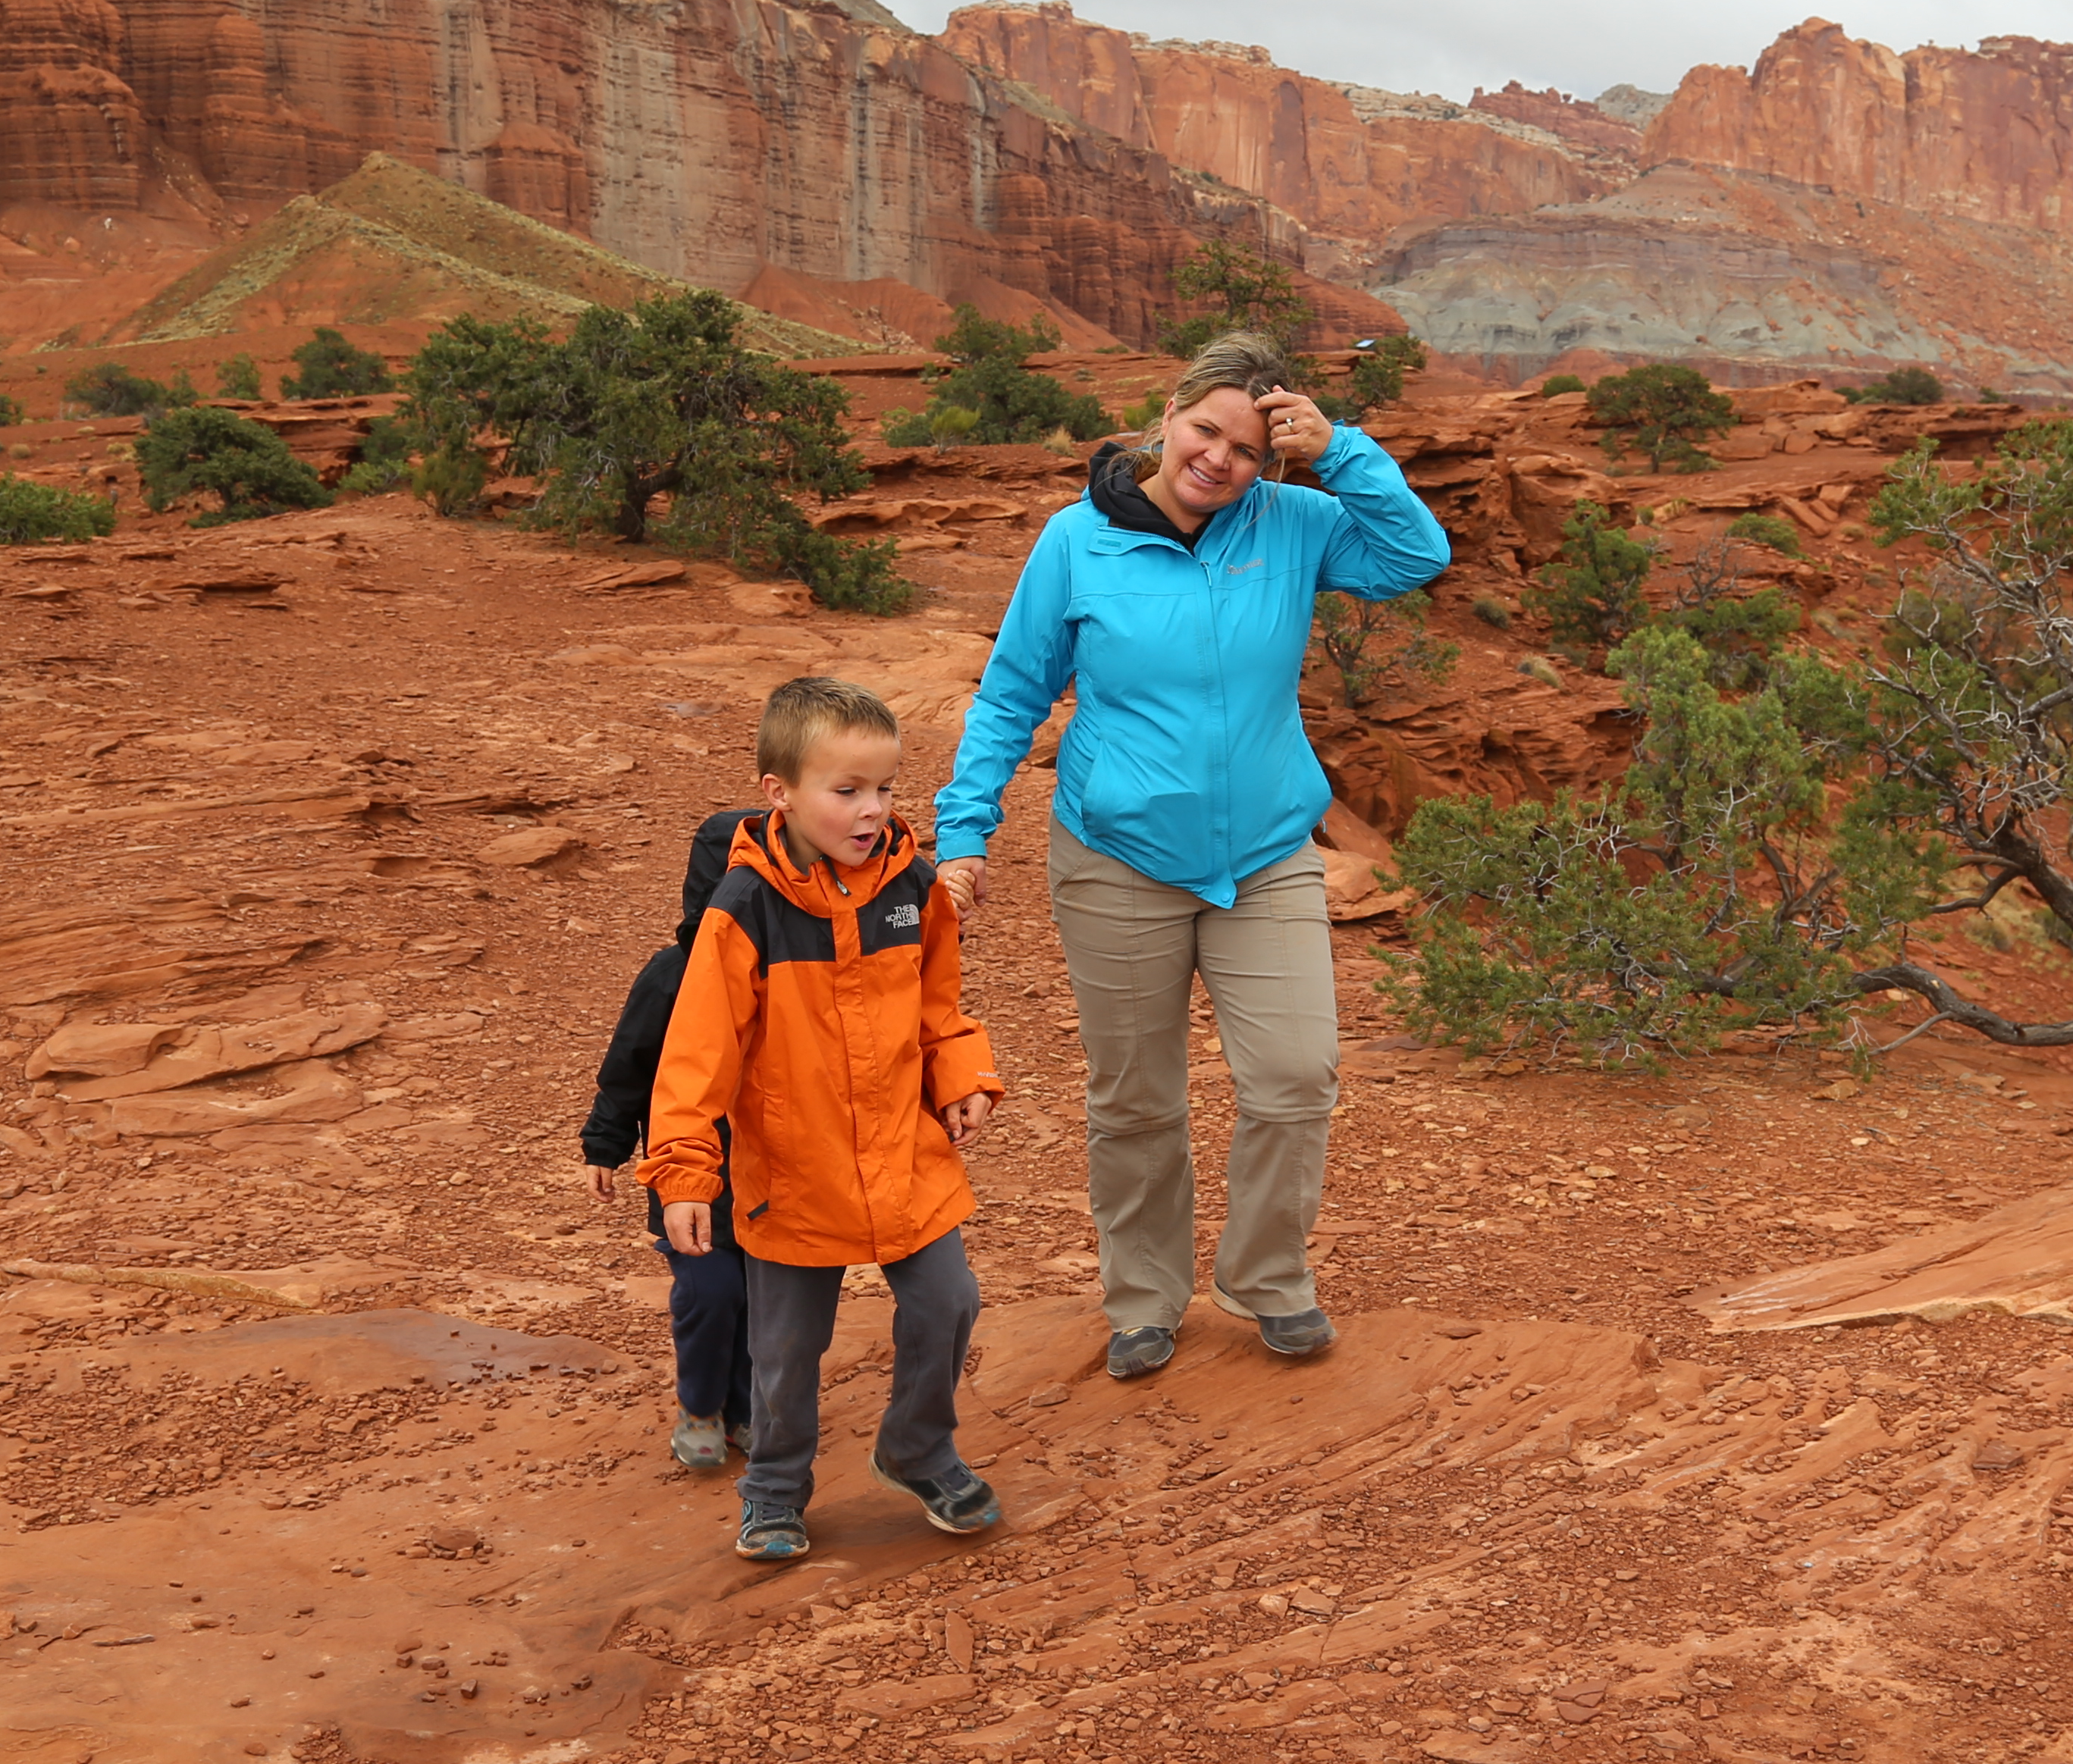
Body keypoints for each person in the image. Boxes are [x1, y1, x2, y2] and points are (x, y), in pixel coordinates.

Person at [931, 331, 1449, 1381]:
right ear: (1168, 417)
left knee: (1296, 1076)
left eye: (1251, 447)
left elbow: (1416, 557)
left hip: (1263, 855)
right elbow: (1015, 693)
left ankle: (1267, 1279)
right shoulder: (1077, 541)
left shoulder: (1297, 524)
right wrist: (963, 831)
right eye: (1207, 430)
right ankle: (1144, 1298)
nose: (1221, 459)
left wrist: (1340, 449)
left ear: (1272, 460)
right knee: (1137, 1097)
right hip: (1117, 856)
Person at [644, 675, 1006, 1563]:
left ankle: (917, 1448)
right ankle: (773, 1489)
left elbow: (940, 1008)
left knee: (948, 1301)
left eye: (884, 788)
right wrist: (688, 1170)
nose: (872, 809)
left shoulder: (913, 889)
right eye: (846, 791)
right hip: (794, 1168)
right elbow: (697, 1053)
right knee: (786, 1348)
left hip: (903, 1153)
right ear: (782, 793)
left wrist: (958, 1075)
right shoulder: (745, 909)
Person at [579, 805, 760, 1473]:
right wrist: (605, 1142)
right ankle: (703, 1406)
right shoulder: (671, 973)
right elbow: (629, 1063)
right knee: (712, 1294)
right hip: (693, 1175)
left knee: (766, 1302)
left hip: (779, 1175)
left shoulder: (794, 968)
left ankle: (746, 1409)